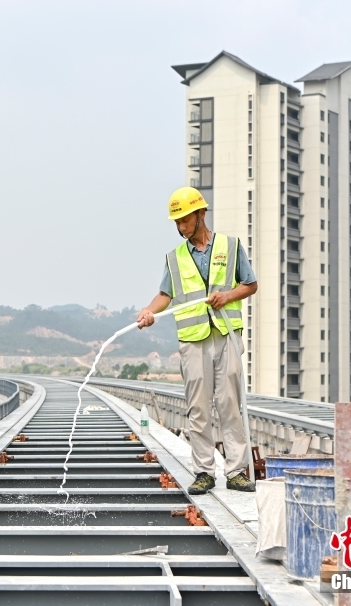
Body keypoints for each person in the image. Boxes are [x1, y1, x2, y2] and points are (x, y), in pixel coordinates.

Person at [136, 187, 258, 494]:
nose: (181, 227)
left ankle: (236, 472)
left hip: (226, 334)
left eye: (185, 220)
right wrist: (149, 311)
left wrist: (227, 296)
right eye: (177, 222)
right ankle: (204, 471)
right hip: (193, 340)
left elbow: (250, 284)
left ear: (201, 214)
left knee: (230, 404)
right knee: (198, 408)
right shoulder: (174, 258)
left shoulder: (231, 247)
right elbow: (165, 295)